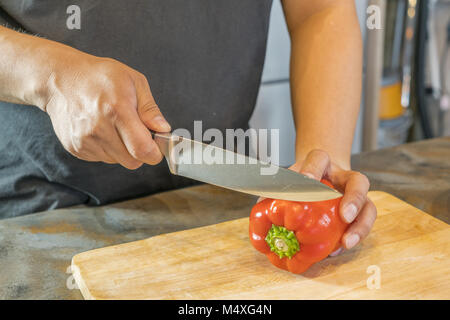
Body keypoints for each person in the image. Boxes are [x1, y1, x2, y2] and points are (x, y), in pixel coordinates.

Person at [0, 0, 376, 254]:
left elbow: (320, 10)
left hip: (226, 202)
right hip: (46, 214)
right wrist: (50, 77)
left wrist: (323, 168)